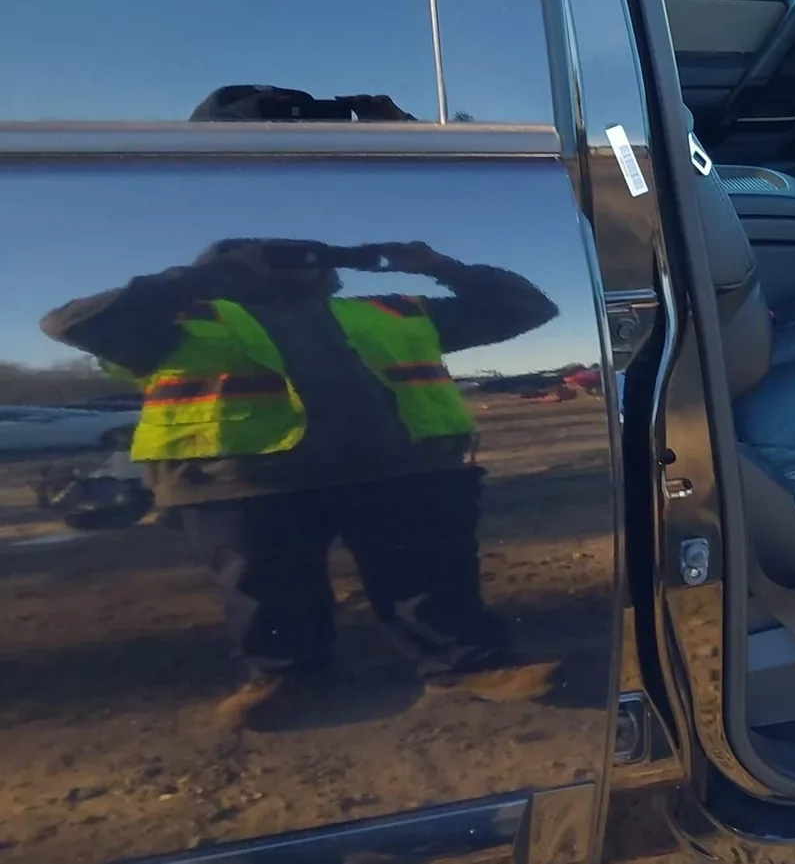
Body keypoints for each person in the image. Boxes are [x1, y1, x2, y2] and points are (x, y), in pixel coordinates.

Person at [43, 238, 560, 729]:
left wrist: (437, 265)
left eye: (301, 254)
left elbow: (526, 308)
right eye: (269, 255)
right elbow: (69, 323)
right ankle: (287, 677)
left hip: (398, 468)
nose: (288, 263)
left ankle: (470, 665)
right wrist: (201, 279)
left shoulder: (390, 310)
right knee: (266, 589)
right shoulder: (174, 318)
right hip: (240, 478)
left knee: (429, 576)